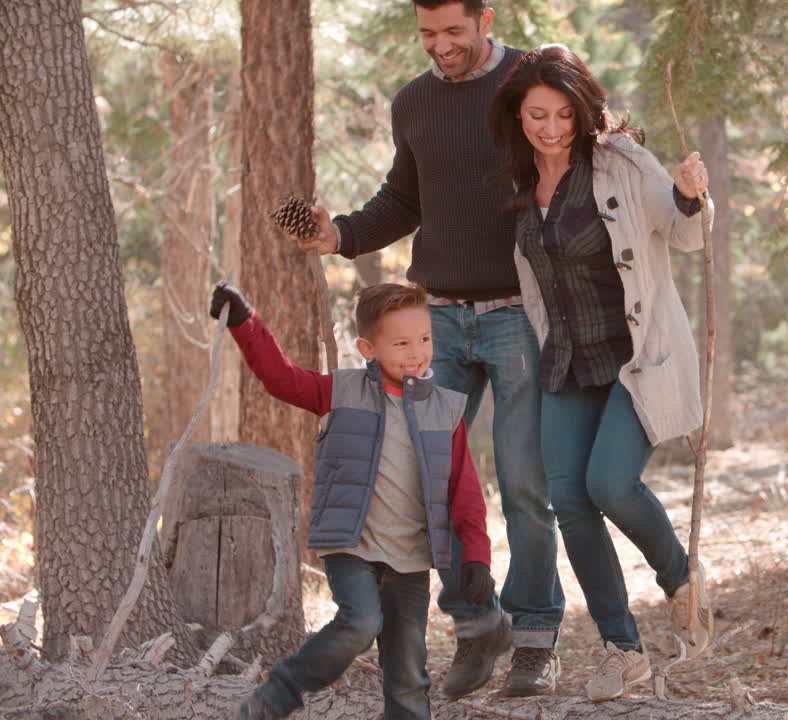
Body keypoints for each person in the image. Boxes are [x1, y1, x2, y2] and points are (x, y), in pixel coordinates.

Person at [290, 0, 564, 697]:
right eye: (427, 34)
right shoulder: (413, 102)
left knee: (526, 483)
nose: (439, 46)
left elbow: (579, 166)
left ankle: (535, 637)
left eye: (452, 32)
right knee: (418, 476)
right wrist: (339, 235)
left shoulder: (530, 85)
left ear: (485, 19)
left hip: (517, 317)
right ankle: (478, 625)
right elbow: (404, 199)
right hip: (433, 321)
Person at [488, 44, 715, 703]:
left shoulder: (618, 161)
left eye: (563, 114)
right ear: (519, 113)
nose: (551, 127)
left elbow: (684, 232)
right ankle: (622, 648)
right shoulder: (518, 180)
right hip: (565, 361)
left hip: (633, 359)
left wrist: (689, 195)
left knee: (610, 485)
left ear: (582, 111)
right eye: (537, 114)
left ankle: (680, 577)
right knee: (570, 502)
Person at [213, 282, 493, 720]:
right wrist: (245, 323)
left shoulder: (447, 408)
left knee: (407, 673)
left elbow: (465, 492)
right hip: (352, 544)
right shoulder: (341, 392)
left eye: (424, 339)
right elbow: (280, 378)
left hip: (412, 558)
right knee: (360, 622)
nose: (417, 352)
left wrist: (476, 556)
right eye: (401, 343)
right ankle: (278, 693)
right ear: (368, 347)